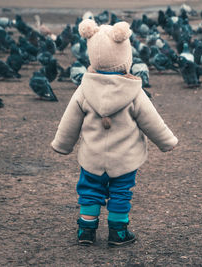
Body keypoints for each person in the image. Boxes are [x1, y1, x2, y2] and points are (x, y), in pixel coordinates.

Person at [51, 19, 178, 247]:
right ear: (124, 54)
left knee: (89, 190)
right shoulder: (134, 91)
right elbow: (152, 121)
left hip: (92, 157)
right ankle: (118, 232)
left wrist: (62, 144)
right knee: (121, 193)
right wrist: (166, 141)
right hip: (124, 159)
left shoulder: (84, 89)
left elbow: (70, 121)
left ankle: (86, 231)